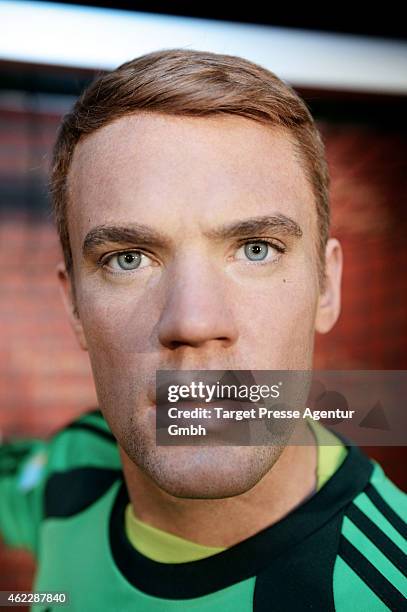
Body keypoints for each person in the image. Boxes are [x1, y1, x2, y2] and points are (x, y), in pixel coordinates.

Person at [1, 48, 405, 611]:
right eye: (128, 258)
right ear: (74, 308)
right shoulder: (76, 459)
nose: (193, 322)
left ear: (327, 287)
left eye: (256, 249)